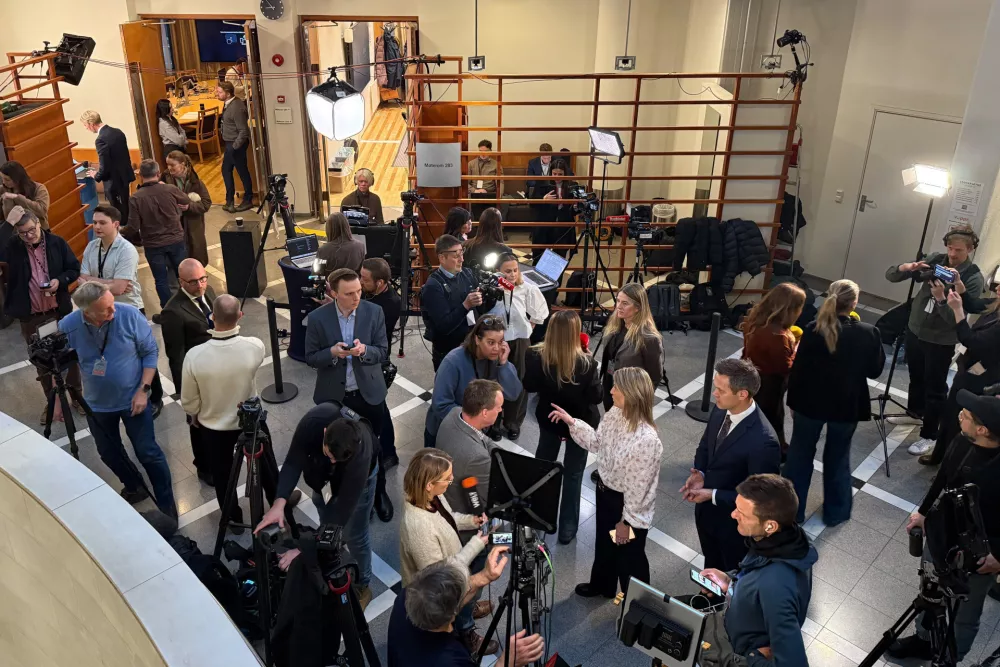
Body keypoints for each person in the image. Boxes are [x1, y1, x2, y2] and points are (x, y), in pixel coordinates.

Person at [886, 390, 1000, 662]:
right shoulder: (962, 441)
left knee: (964, 615)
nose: (960, 415)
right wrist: (924, 513)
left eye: (967, 415)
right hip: (942, 535)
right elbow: (943, 476)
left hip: (981, 555)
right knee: (929, 594)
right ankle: (923, 641)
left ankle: (950, 657)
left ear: (982, 430)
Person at [58, 282, 176, 516]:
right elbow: (60, 361)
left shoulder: (129, 315)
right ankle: (134, 486)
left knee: (148, 452)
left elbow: (150, 352)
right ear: (86, 312)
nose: (114, 311)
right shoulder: (68, 326)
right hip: (97, 404)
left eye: (112, 304)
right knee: (108, 452)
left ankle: (166, 503)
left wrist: (143, 390)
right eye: (106, 309)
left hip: (134, 398)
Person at [549, 366, 661, 598]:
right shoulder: (614, 415)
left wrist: (626, 522)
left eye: (616, 387)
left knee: (629, 559)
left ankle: (638, 606)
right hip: (606, 494)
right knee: (605, 545)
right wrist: (572, 423)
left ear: (631, 393)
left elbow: (639, 490)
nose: (610, 391)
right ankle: (602, 585)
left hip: (625, 506)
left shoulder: (647, 439)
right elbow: (597, 443)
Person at [256, 404, 380, 608]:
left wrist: (307, 549)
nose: (331, 460)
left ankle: (362, 584)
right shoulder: (314, 421)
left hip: (360, 480)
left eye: (336, 459)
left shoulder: (361, 451)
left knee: (356, 535)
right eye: (328, 454)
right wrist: (279, 503)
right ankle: (329, 545)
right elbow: (293, 461)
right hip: (323, 478)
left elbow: (341, 511)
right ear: (324, 433)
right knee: (320, 505)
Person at [782, 279, 885, 526]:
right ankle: (836, 512)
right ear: (854, 303)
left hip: (809, 404)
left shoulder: (813, 329)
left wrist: (792, 403)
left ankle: (792, 513)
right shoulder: (868, 333)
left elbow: (799, 371)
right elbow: (874, 371)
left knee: (799, 456)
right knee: (838, 457)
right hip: (846, 406)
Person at [885, 226, 985, 456]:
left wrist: (941, 299)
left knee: (935, 387)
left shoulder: (972, 278)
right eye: (949, 247)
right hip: (916, 329)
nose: (952, 254)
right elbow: (891, 275)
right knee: (916, 377)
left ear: (970, 249)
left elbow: (955, 320)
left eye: (958, 250)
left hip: (940, 340)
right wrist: (906, 267)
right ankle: (915, 414)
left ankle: (929, 434)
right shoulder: (936, 260)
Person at [698, 474, 817, 666]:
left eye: (741, 512)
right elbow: (755, 574)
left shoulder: (776, 586)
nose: (733, 514)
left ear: (770, 525)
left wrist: (750, 659)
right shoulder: (779, 541)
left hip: (737, 651)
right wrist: (730, 581)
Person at [304, 268, 393, 521]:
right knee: (339, 450)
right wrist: (332, 353)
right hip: (335, 396)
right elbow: (310, 358)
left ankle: (379, 494)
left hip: (368, 393)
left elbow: (382, 351)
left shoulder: (373, 312)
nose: (356, 298)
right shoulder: (318, 318)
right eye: (349, 293)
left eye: (359, 291)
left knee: (374, 447)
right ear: (333, 293)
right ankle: (345, 497)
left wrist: (364, 351)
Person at [681, 358, 780, 571]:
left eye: (721, 390)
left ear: (742, 394)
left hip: (734, 526)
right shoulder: (721, 409)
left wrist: (713, 494)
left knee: (729, 572)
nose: (714, 394)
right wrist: (700, 473)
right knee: (711, 561)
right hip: (707, 515)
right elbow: (706, 446)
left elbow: (759, 499)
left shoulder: (764, 441)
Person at [399, 449, 497, 655]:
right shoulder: (418, 527)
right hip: (439, 590)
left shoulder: (431, 497)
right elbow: (439, 578)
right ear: (429, 484)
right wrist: (477, 544)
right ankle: (465, 631)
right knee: (454, 600)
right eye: (447, 478)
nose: (452, 479)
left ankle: (467, 607)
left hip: (453, 566)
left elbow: (448, 517)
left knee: (465, 593)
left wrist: (471, 521)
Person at [181, 294, 265, 530]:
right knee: (264, 466)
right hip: (251, 420)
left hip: (214, 427)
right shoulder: (255, 346)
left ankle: (232, 517)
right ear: (240, 316)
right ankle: (278, 501)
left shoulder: (194, 356)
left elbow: (189, 400)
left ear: (212, 317)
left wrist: (195, 413)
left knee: (223, 476)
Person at [0, 208, 84, 424]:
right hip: (32, 317)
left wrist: (60, 281)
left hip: (59, 312)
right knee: (42, 360)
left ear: (38, 223)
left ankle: (77, 396)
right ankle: (53, 400)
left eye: (31, 230)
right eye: (22, 233)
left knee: (70, 355)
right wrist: (8, 224)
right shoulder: (15, 247)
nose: (29, 236)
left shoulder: (56, 242)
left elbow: (74, 268)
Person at [523, 310, 601, 544]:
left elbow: (529, 385)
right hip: (580, 423)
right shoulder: (586, 363)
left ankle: (539, 515)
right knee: (574, 473)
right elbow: (596, 396)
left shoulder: (535, 355)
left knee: (544, 466)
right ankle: (568, 525)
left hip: (550, 419)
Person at [78, 205, 164, 415]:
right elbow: (83, 280)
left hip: (128, 309)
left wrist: (93, 281)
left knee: (142, 352)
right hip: (100, 309)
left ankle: (155, 396)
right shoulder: (92, 247)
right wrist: (106, 283)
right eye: (94, 222)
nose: (96, 226)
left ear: (116, 224)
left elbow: (118, 288)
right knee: (114, 352)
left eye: (102, 223)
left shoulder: (126, 250)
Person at [387, 559, 544, 667]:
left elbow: (446, 598)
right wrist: (506, 662)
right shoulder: (451, 659)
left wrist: (484, 576)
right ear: (454, 613)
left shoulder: (407, 596)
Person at [920, 290, 1000, 466]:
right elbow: (974, 303)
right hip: (970, 372)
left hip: (981, 380)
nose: (997, 289)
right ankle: (939, 455)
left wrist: (957, 311)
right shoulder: (995, 307)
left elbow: (971, 340)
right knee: (950, 416)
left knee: (963, 423)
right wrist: (959, 286)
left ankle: (950, 466)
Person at [426, 314, 523, 448]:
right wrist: (474, 421)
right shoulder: (453, 362)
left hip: (476, 431)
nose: (496, 348)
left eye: (500, 342)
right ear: (477, 339)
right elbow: (440, 405)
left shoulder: (497, 360)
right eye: (491, 342)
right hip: (446, 430)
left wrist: (504, 364)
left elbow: (513, 393)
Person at [161, 258, 217, 482]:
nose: (200, 285)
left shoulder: (209, 291)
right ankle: (204, 466)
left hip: (216, 369)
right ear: (181, 282)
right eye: (193, 282)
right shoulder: (172, 311)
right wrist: (186, 395)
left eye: (203, 278)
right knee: (198, 425)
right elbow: (176, 356)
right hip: (196, 377)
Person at [488, 253, 548, 439]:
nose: (512, 274)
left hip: (520, 340)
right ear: (498, 271)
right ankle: (494, 422)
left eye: (515, 270)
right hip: (496, 340)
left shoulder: (526, 289)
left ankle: (513, 422)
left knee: (519, 380)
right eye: (508, 271)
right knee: (494, 380)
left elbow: (540, 311)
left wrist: (530, 326)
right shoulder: (492, 288)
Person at [741, 282, 806, 452]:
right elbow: (784, 367)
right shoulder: (778, 335)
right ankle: (772, 451)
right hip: (770, 385)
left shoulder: (754, 320)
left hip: (751, 377)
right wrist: (796, 350)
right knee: (771, 419)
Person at [434, 379, 501, 520]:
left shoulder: (456, 412)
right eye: (498, 407)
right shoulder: (478, 458)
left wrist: (500, 455)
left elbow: (483, 438)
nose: (500, 410)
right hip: (464, 512)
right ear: (484, 412)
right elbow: (487, 497)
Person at [129, 159, 191, 308]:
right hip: (175, 240)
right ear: (158, 174)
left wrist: (119, 231)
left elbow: (133, 226)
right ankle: (190, 306)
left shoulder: (136, 198)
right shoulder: (169, 189)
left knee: (161, 280)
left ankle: (169, 310)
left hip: (153, 244)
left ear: (140, 175)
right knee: (183, 276)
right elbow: (185, 199)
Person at [361, 257, 401, 470]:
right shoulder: (376, 295)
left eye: (364, 279)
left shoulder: (387, 305)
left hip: (376, 363)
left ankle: (389, 453)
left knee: (380, 410)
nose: (360, 282)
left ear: (380, 283)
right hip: (368, 361)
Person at [421, 234, 480, 371]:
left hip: (470, 344)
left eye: (462, 253)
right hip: (448, 351)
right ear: (442, 258)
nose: (462, 259)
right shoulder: (433, 286)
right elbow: (443, 326)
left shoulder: (467, 274)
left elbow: (480, 309)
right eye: (456, 256)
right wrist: (466, 305)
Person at [599, 283, 663, 411]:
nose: (619, 307)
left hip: (630, 398)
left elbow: (654, 376)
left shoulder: (649, 338)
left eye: (625, 303)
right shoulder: (615, 325)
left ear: (638, 307)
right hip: (610, 387)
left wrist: (641, 403)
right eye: (618, 301)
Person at [80, 110, 135, 226]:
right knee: (126, 206)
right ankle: (133, 232)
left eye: (85, 126)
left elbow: (104, 164)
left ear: (91, 124)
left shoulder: (101, 139)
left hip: (113, 181)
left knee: (117, 211)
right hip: (124, 175)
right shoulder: (118, 132)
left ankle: (126, 234)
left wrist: (96, 175)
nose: (86, 129)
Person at [161, 151, 212, 267]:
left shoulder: (196, 181)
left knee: (196, 256)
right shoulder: (165, 178)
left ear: (182, 164)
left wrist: (190, 206)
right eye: (167, 164)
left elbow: (206, 203)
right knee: (178, 260)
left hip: (193, 225)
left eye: (172, 165)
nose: (169, 168)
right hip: (174, 225)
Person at [217, 81, 254, 213]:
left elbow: (243, 131)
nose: (217, 93)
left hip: (235, 144)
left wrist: (234, 146)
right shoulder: (229, 104)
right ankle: (229, 201)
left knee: (242, 172)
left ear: (227, 93)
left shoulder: (236, 108)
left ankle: (247, 200)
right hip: (230, 144)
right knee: (226, 170)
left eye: (220, 92)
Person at [530, 159, 575, 261]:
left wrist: (575, 206)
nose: (557, 177)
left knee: (558, 261)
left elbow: (574, 211)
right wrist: (543, 199)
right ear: (550, 172)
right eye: (554, 173)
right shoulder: (542, 182)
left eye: (560, 174)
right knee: (539, 260)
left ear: (565, 174)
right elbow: (532, 203)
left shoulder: (571, 185)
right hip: (544, 227)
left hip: (563, 228)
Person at [1, 160, 50, 229]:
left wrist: (16, 197)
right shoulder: (3, 190)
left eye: (7, 180)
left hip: (37, 231)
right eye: (2, 179)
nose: (3, 182)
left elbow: (41, 210)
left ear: (17, 178)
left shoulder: (39, 188)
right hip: (14, 235)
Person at [468, 139, 502, 219]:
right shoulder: (471, 164)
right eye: (480, 151)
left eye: (485, 151)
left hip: (490, 194)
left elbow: (501, 182)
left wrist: (499, 196)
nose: (482, 154)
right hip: (475, 194)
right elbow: (466, 182)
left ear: (490, 151)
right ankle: (478, 228)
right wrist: (475, 190)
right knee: (478, 217)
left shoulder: (496, 164)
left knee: (490, 218)